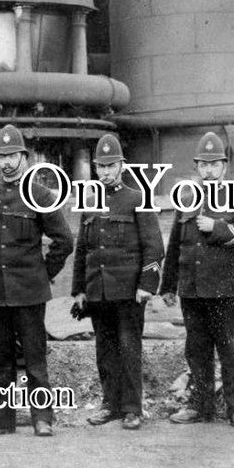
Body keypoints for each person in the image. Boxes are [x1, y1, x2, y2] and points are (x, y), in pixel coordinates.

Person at [0, 125, 74, 437]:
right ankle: (2, 421)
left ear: (24, 158)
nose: (5, 162)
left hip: (29, 292)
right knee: (0, 359)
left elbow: (64, 241)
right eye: (0, 156)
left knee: (35, 358)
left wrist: (42, 275)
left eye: (12, 155)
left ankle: (42, 419)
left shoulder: (40, 195)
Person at [161, 132, 234, 428]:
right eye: (204, 165)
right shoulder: (186, 198)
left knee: (230, 351)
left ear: (225, 166)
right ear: (197, 167)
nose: (209, 170)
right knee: (197, 352)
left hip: (227, 292)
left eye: (215, 164)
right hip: (193, 291)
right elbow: (176, 245)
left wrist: (217, 227)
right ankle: (200, 407)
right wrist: (168, 285)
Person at [71, 133, 163, 431]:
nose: (107, 171)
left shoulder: (138, 198)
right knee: (105, 352)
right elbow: (83, 250)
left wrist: (146, 285)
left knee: (129, 350)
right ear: (96, 168)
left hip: (128, 293)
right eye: (101, 166)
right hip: (98, 292)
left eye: (112, 165)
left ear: (122, 165)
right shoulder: (90, 202)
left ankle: (132, 409)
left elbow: (154, 247)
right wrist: (79, 290)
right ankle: (109, 405)